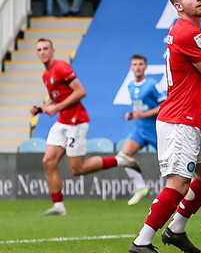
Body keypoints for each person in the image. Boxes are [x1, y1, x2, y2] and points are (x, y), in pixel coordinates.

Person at [128, 0, 201, 253]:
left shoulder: (186, 30)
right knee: (178, 183)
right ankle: (142, 241)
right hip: (178, 120)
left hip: (189, 118)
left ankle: (177, 228)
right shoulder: (188, 32)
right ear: (178, 5)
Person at [31, 38, 142, 216]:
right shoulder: (46, 75)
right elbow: (57, 98)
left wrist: (57, 108)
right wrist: (42, 108)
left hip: (76, 121)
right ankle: (58, 206)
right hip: (62, 121)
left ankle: (120, 160)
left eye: (45, 48)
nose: (42, 52)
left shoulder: (61, 67)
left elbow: (80, 91)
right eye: (39, 49)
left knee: (77, 169)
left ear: (53, 51)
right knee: (48, 162)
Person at [119, 54, 167, 206]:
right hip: (139, 130)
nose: (138, 67)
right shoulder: (130, 86)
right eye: (135, 64)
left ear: (146, 67)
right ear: (130, 68)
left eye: (141, 64)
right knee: (123, 157)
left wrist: (143, 114)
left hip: (155, 130)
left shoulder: (153, 84)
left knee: (170, 162)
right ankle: (140, 188)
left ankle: (188, 187)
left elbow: (164, 105)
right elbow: (139, 106)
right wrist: (132, 114)